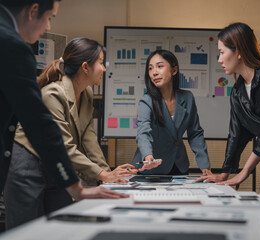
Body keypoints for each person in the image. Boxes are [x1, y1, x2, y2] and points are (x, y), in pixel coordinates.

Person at [0, 0, 127, 229]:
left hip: (55, 161)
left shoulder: (86, 94)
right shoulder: (52, 92)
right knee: (26, 228)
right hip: (29, 160)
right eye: (50, 18)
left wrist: (105, 173)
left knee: (62, 224)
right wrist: (92, 179)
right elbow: (61, 141)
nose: (48, 27)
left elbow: (88, 139)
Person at [195, 22, 260, 217]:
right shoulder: (237, 92)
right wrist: (225, 173)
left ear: (239, 51)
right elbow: (236, 135)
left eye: (222, 52)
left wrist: (244, 173)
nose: (219, 59)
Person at [131, 50, 212, 175]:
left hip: (179, 165)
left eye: (160, 66)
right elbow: (143, 133)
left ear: (174, 70)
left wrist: (204, 165)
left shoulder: (187, 97)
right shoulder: (146, 101)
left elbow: (195, 133)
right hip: (151, 167)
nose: (154, 73)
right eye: (150, 68)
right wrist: (148, 155)